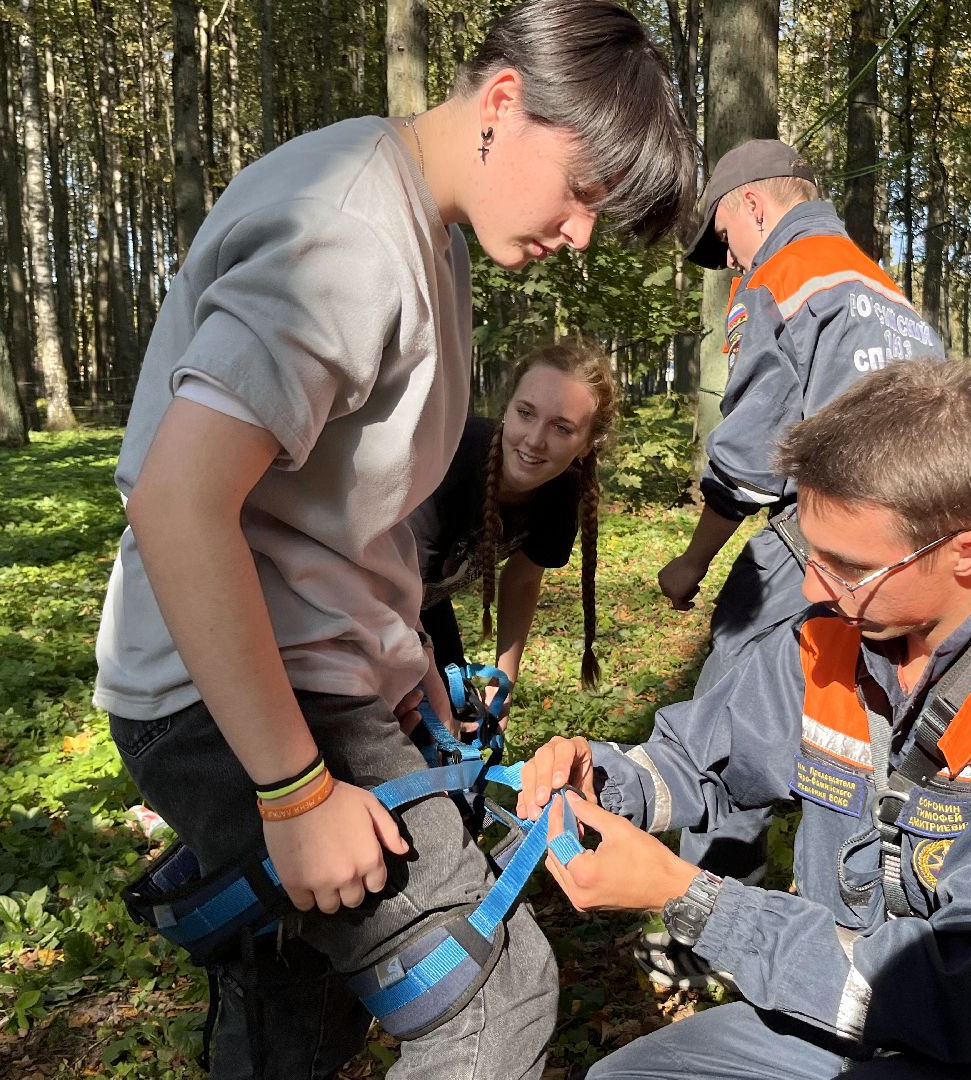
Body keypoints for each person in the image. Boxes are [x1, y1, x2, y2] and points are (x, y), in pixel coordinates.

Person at [92, 2, 695, 1076]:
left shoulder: (428, 234)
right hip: (227, 699)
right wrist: (295, 792)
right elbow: (179, 502)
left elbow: (333, 506)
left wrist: (401, 660)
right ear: (504, 104)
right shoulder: (352, 231)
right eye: (584, 193)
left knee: (303, 980)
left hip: (312, 674)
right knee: (491, 994)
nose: (582, 234)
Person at [519, 360, 971, 1079]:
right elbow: (700, 760)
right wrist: (603, 779)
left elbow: (969, 1002)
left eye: (847, 566)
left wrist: (689, 898)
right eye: (808, 553)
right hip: (852, 1014)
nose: (813, 586)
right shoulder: (837, 637)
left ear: (967, 553)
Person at [657, 139, 946, 893]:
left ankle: (711, 904)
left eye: (724, 240)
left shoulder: (783, 271)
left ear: (752, 204)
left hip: (819, 535)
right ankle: (850, 910)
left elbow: (755, 447)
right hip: (919, 554)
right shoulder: (887, 291)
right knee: (857, 720)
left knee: (726, 709)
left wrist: (694, 559)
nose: (729, 263)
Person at [409, 341, 617, 720]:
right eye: (525, 413)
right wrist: (437, 702)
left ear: (587, 445)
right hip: (344, 601)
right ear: (507, 408)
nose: (535, 440)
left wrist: (503, 682)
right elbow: (391, 597)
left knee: (463, 719)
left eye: (561, 428)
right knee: (421, 730)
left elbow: (522, 579)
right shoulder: (446, 465)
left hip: (422, 603)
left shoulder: (561, 490)